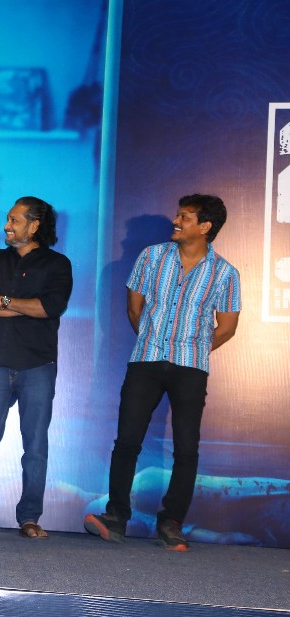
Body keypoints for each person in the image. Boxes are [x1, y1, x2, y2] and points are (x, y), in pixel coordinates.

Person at [85, 194, 240, 551]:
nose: (176, 221)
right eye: (178, 215)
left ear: (205, 227)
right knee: (127, 441)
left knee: (186, 448)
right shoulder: (151, 257)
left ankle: (171, 523)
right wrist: (153, 341)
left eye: (185, 217)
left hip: (190, 368)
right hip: (146, 360)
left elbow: (228, 327)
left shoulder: (225, 273)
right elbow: (134, 308)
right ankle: (116, 517)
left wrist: (193, 348)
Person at [0, 197, 72, 539]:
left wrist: (4, 300)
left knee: (35, 448)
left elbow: (50, 308)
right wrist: (24, 306)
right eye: (7, 219)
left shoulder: (58, 264)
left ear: (34, 226)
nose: (7, 226)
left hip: (38, 365)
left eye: (14, 220)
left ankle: (30, 518)